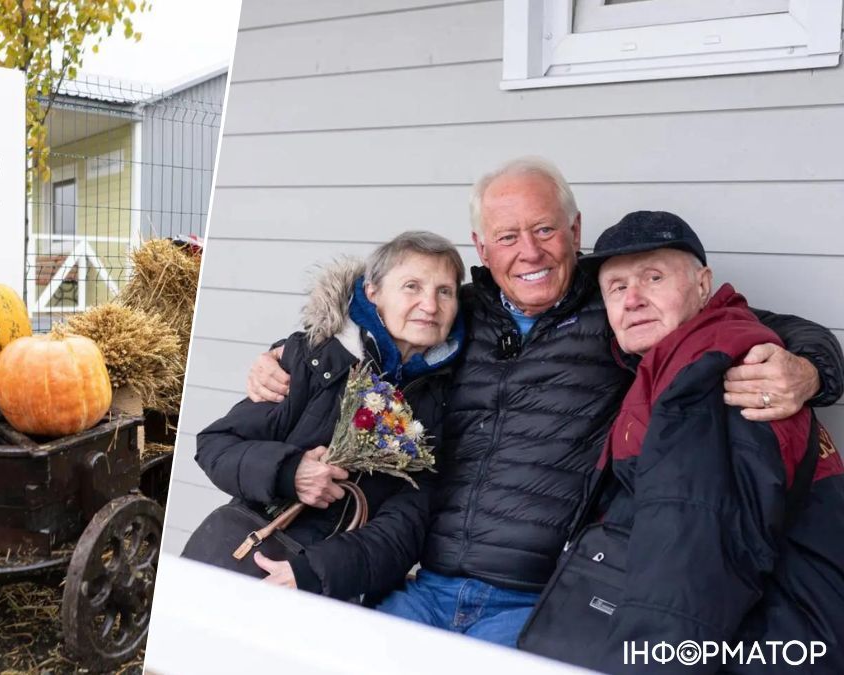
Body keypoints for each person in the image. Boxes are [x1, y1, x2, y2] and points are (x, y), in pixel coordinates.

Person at [244, 157, 843, 646]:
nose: (528, 252)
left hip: (538, 595)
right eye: (507, 236)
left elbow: (740, 324)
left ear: (575, 233)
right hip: (423, 576)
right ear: (482, 246)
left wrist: (812, 370)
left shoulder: (617, 307)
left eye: (545, 230)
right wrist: (282, 356)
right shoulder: (455, 314)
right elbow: (364, 335)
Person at [564, 211, 844, 673]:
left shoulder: (709, 373)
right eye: (616, 287)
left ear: (702, 285)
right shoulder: (691, 344)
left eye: (653, 277)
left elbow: (689, 572)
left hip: (778, 637)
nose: (632, 299)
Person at [188, 231, 465, 600]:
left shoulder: (444, 399)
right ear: (373, 292)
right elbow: (216, 445)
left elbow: (406, 526)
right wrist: (290, 472)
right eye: (412, 286)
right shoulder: (313, 359)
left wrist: (312, 573)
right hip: (248, 557)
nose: (430, 305)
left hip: (337, 587)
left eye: (444, 291)